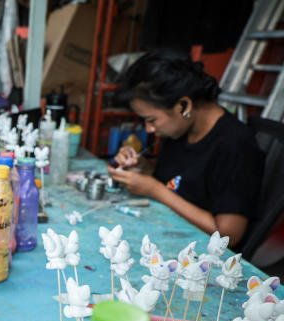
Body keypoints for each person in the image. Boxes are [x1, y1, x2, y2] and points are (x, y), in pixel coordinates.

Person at [107, 50, 264, 249]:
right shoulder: (182, 129)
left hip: (202, 257)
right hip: (166, 232)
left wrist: (154, 189)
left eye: (152, 120)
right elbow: (186, 179)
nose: (149, 129)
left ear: (183, 106)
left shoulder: (236, 146)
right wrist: (144, 168)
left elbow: (228, 235)